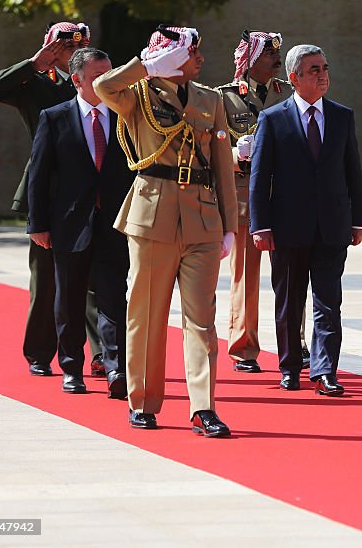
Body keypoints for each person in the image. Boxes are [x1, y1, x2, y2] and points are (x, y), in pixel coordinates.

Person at [93, 25, 237, 437]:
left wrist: (229, 223)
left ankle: (204, 407)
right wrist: (145, 65)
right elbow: (102, 86)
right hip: (152, 213)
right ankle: (142, 400)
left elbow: (223, 165)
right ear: (171, 58)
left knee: (202, 319)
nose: (200, 60)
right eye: (192, 53)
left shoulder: (211, 99)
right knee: (147, 313)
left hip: (203, 217)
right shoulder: (136, 95)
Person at [0, 22, 103, 377]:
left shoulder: (91, 85)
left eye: (77, 49)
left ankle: (99, 353)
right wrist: (34, 64)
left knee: (96, 275)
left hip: (90, 188)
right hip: (49, 191)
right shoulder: (32, 85)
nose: (70, 55)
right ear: (50, 49)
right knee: (47, 277)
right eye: (64, 49)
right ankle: (39, 352)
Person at [249, 44, 362, 395]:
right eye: (313, 69)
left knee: (329, 302)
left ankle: (325, 370)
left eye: (324, 67)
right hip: (286, 228)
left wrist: (357, 220)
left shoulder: (342, 116)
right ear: (294, 78)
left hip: (332, 225)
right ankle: (290, 368)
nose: (323, 74)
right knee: (289, 301)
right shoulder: (272, 119)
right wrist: (260, 225)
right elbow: (259, 176)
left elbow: (353, 173)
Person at [27, 48, 134, 398]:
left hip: (115, 224)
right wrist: (38, 224)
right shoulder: (54, 117)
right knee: (69, 301)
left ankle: (117, 366)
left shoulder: (126, 116)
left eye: (110, 74)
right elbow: (39, 176)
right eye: (98, 77)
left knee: (114, 298)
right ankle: (71, 367)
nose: (107, 82)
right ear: (77, 80)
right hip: (70, 226)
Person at [216, 30, 293, 374]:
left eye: (278, 55)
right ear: (249, 59)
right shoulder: (224, 98)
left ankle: (295, 342)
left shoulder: (288, 94)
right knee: (245, 277)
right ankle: (243, 347)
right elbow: (212, 146)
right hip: (246, 195)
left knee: (293, 274)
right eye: (268, 55)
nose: (277, 60)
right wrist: (235, 154)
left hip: (288, 195)